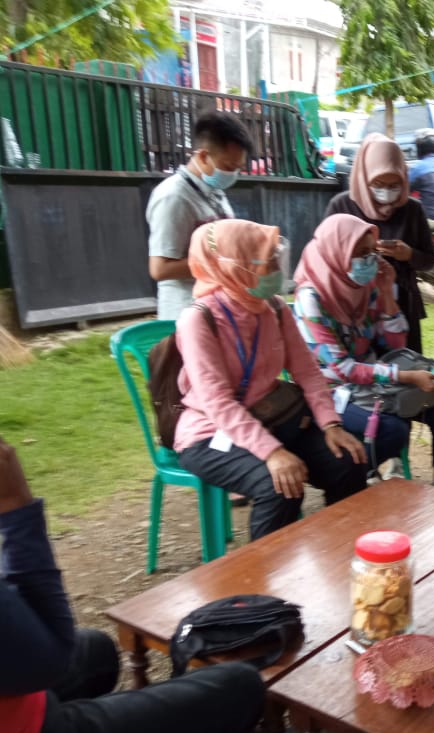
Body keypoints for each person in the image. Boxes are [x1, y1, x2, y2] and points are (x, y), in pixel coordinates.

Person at [0, 436, 267, 733]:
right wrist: (16, 507)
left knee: (96, 650)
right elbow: (51, 661)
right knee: (240, 684)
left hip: (21, 699)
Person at [174, 219, 368, 541]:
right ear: (233, 266)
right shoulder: (199, 319)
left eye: (277, 260)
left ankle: (342, 549)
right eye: (268, 263)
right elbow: (217, 402)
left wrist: (331, 424)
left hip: (272, 419)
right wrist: (272, 453)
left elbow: (307, 372)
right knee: (278, 486)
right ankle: (263, 572)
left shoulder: (275, 308)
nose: (277, 271)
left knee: (348, 460)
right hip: (211, 432)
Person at [293, 214, 434, 489]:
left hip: (371, 383)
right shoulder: (310, 300)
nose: (369, 260)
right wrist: (406, 377)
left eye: (372, 252)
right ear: (336, 253)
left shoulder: (366, 287)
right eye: (360, 253)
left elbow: (395, 346)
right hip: (330, 391)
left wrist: (386, 295)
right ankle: (349, 482)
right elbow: (342, 369)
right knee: (392, 429)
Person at [323, 132, 434, 355]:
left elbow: (430, 260)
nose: (386, 191)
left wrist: (409, 254)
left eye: (394, 184)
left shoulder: (412, 210)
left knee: (404, 361)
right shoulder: (342, 206)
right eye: (378, 183)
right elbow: (325, 256)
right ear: (364, 176)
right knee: (362, 363)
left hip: (400, 304)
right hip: (352, 305)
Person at [147, 111, 251, 320]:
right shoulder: (174, 197)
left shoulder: (213, 191)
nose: (233, 174)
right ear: (203, 156)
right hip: (185, 313)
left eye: (238, 168)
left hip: (217, 309)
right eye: (229, 166)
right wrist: (221, 261)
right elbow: (160, 269)